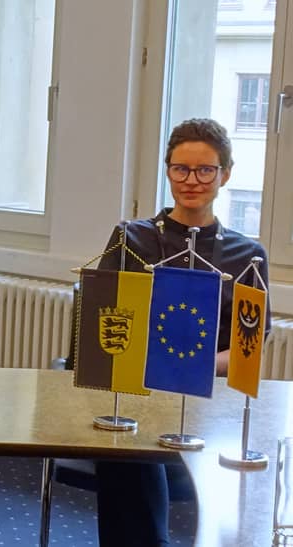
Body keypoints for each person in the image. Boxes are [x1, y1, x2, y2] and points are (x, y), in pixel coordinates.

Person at [93, 118, 270, 546]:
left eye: (205, 170)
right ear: (168, 171)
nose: (192, 181)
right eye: (181, 169)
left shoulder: (248, 255)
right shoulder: (130, 239)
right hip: (138, 393)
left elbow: (249, 347)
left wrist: (193, 368)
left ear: (225, 174)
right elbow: (104, 321)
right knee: (128, 444)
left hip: (212, 399)